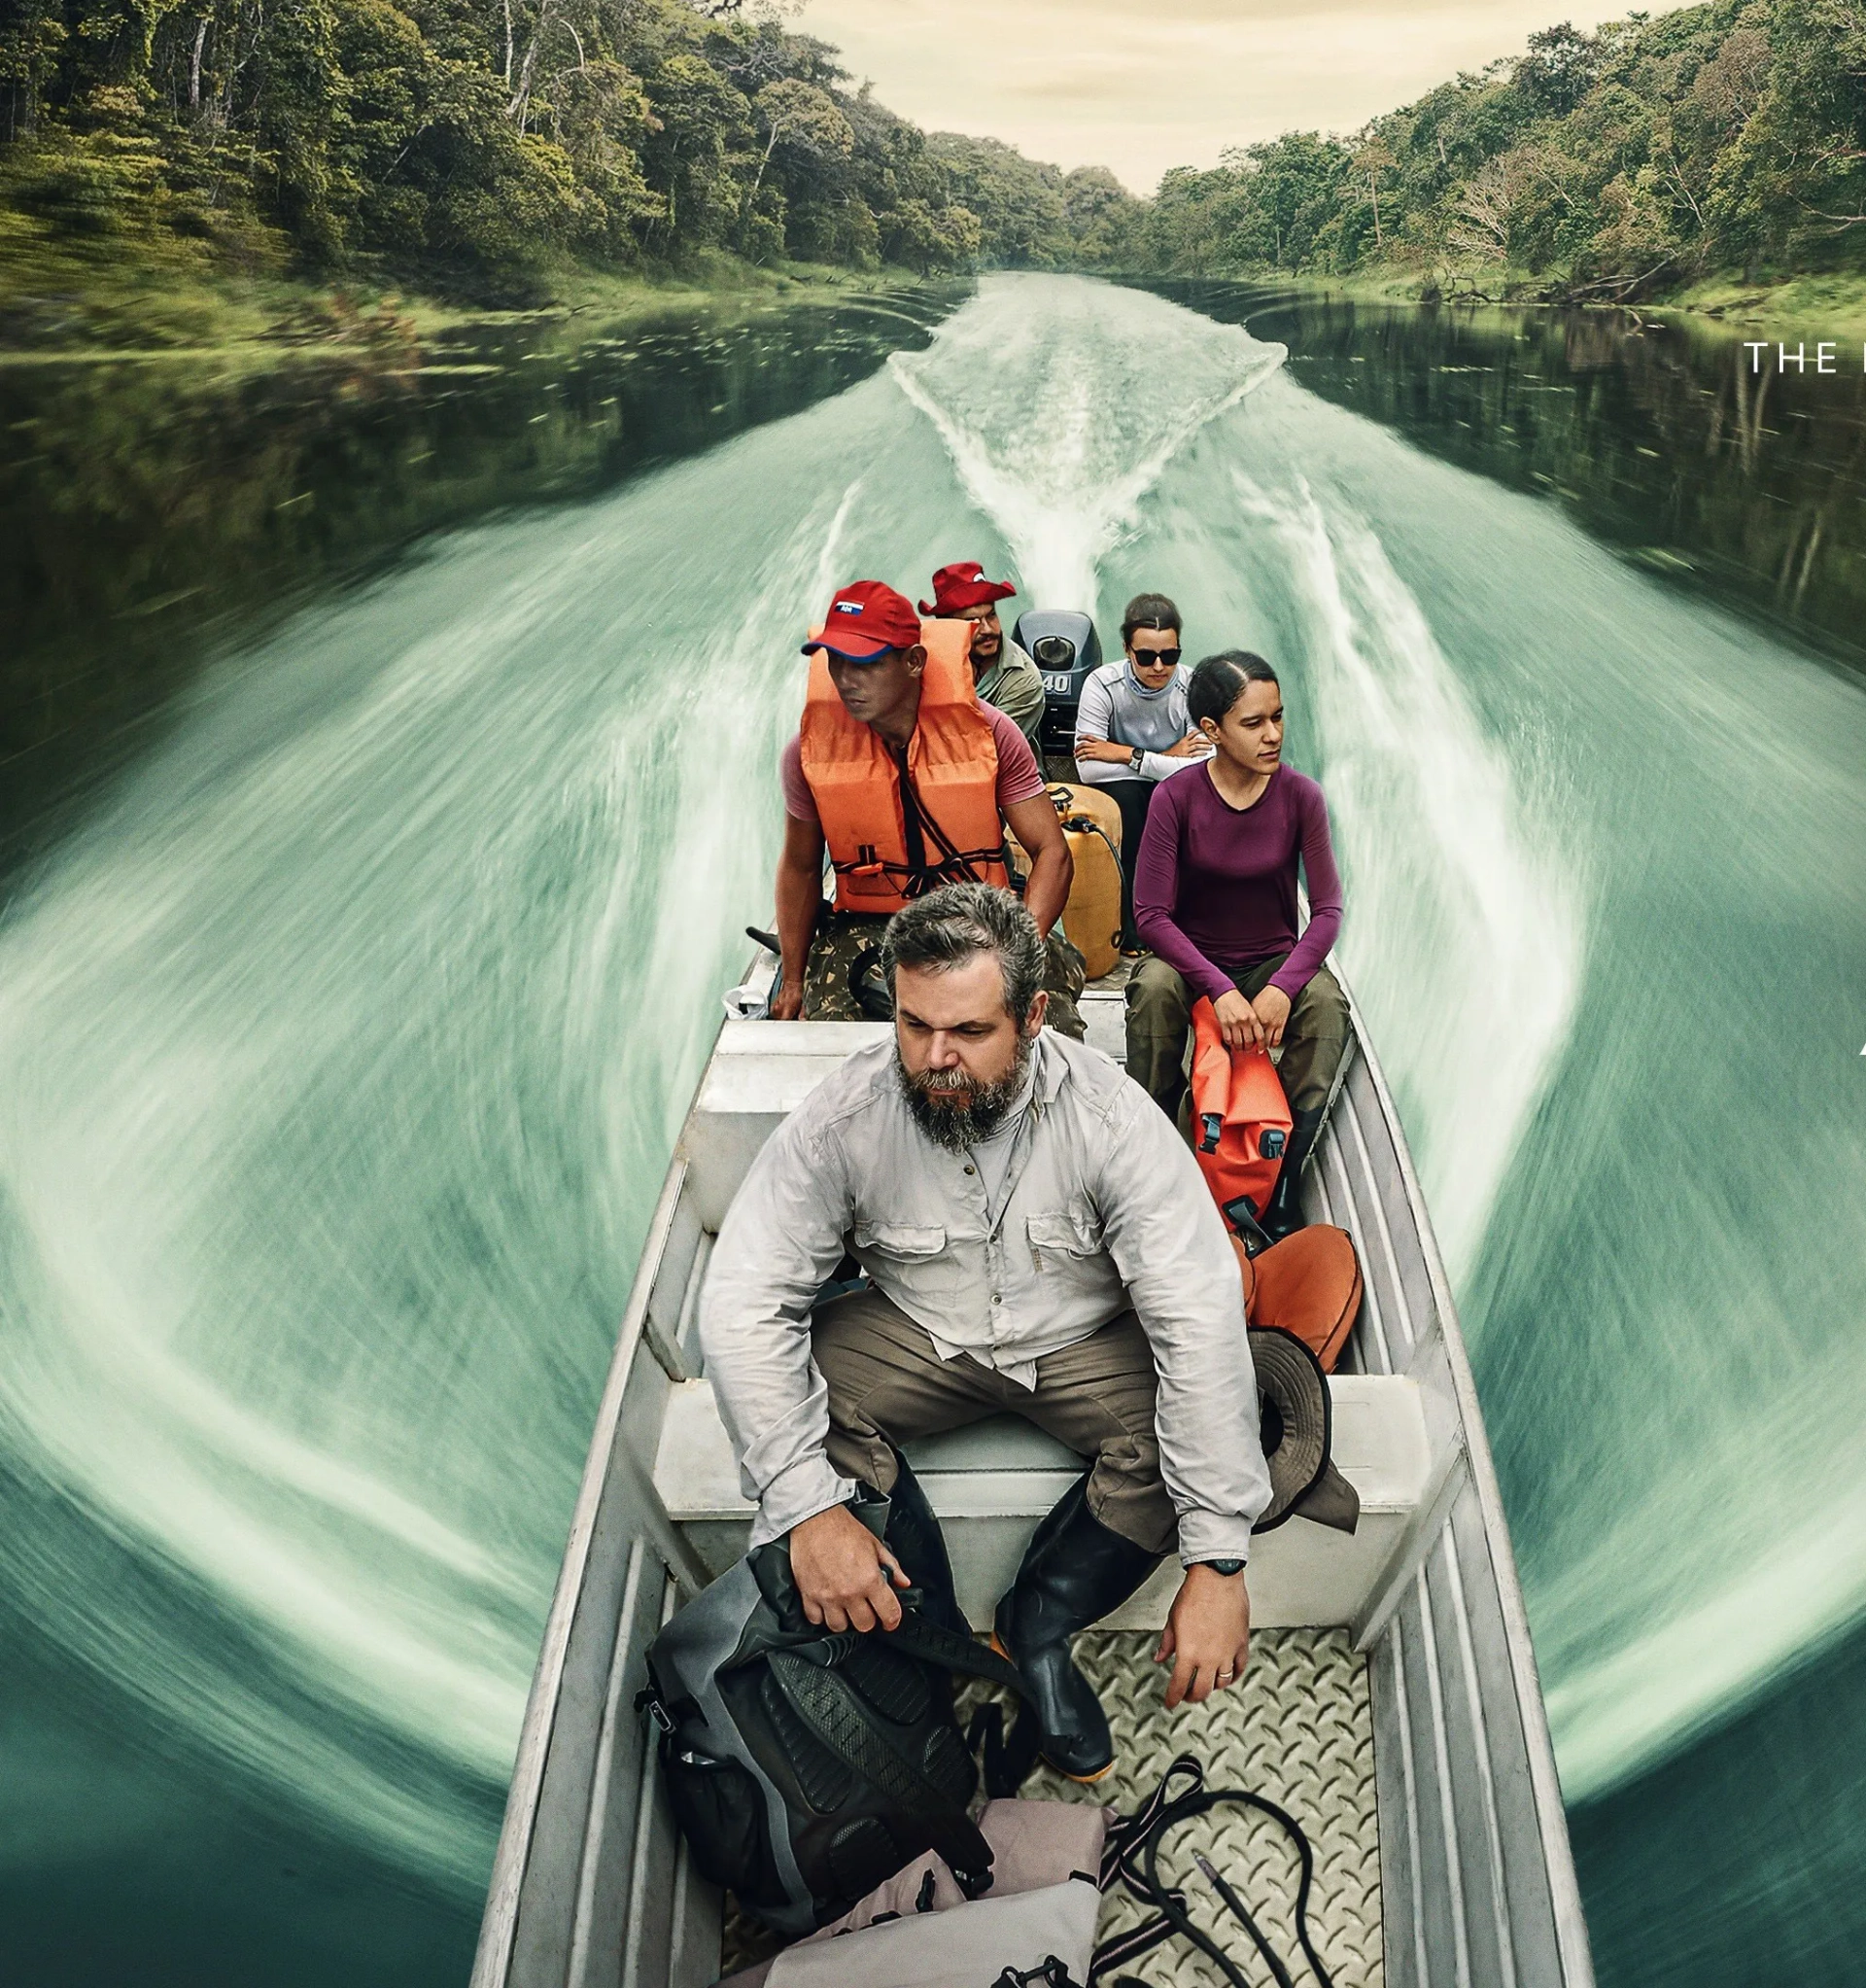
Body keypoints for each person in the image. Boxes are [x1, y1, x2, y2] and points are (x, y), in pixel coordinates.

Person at [701, 883, 1270, 1783]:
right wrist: (805, 1508)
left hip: (1077, 1338)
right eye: (915, 1024)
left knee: (1203, 1424)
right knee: (792, 1379)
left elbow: (1196, 1322)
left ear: (1033, 1015)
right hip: (918, 1330)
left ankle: (1036, 1624)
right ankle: (914, 1631)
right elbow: (741, 1298)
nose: (936, 1057)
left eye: (969, 1033)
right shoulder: (843, 1120)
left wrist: (1220, 1559)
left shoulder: (1114, 1122)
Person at [770, 578, 1085, 1037]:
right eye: (836, 661)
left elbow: (1052, 854)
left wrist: (1019, 954)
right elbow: (799, 867)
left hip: (983, 916)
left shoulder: (992, 735)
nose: (845, 679)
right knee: (833, 1032)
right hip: (871, 923)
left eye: (865, 663)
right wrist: (794, 981)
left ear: (914, 662)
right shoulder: (808, 753)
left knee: (1046, 1025)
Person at [1126, 651, 1349, 1242]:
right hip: (1192, 957)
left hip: (1270, 958)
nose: (1273, 734)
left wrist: (1281, 989)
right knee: (1150, 989)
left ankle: (1284, 1179)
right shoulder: (1175, 800)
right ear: (1211, 732)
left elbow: (1326, 911)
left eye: (1278, 717)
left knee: (1327, 1007)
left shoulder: (1302, 797)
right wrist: (1218, 990)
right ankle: (1154, 1156)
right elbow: (1149, 915)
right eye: (1254, 723)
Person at [1071, 592, 1212, 954]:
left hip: (1166, 784)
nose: (1159, 666)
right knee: (1130, 805)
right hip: (1123, 789)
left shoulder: (1193, 687)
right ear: (1126, 649)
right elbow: (1088, 768)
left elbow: (1205, 767)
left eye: (1171, 655)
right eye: (1146, 656)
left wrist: (1128, 754)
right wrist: (1165, 758)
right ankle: (1131, 926)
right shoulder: (1102, 684)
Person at [920, 560, 1047, 747]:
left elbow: (985, 748)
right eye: (972, 620)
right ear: (947, 626)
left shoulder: (1023, 679)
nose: (987, 629)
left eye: (991, 615)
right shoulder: (924, 665)